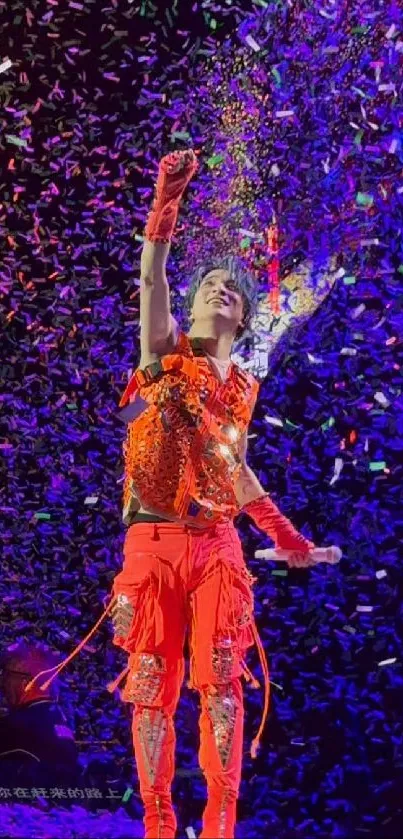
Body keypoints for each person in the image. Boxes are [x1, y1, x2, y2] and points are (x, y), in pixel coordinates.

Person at [25, 149, 341, 838]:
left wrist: (285, 538)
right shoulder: (161, 350)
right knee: (150, 689)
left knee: (222, 688)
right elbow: (149, 275)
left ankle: (220, 824)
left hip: (217, 547)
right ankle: (160, 824)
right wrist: (168, 194)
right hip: (152, 544)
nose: (218, 289)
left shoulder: (242, 389)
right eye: (208, 285)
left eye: (231, 288)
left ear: (243, 317)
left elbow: (235, 470)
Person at [0, 640, 79, 788]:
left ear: (25, 684)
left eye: (6, 675)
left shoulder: (18, 725)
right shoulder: (58, 717)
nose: (2, 683)